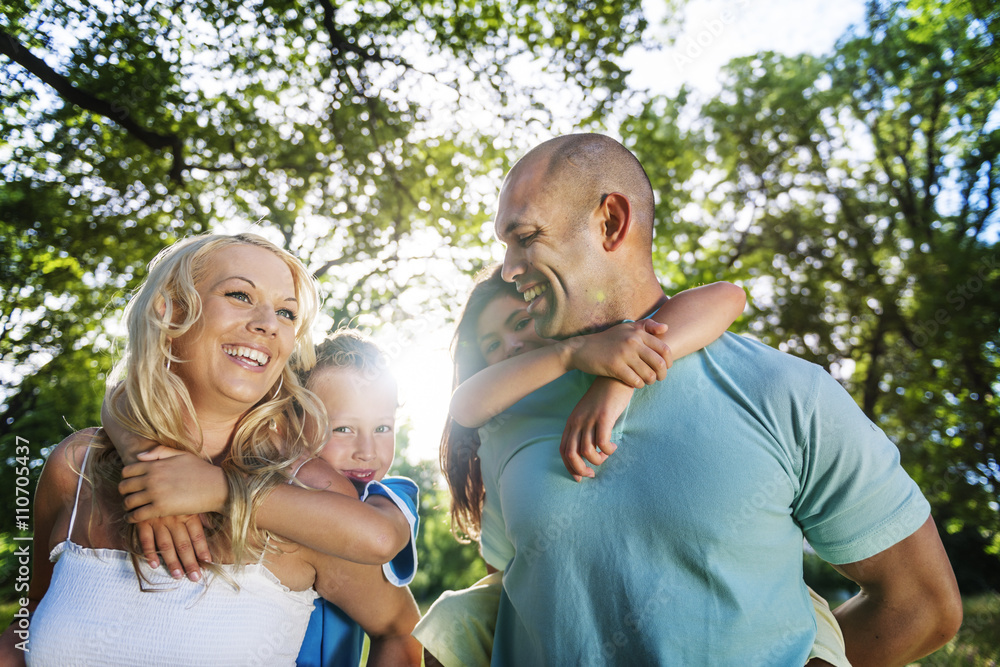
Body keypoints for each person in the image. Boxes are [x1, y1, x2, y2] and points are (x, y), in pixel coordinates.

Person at [480, 134, 962, 666]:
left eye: (524, 237)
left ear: (610, 223)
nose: (508, 268)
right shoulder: (505, 417)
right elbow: (502, 596)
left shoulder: (786, 394)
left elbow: (923, 605)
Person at [0, 233, 419, 666]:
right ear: (170, 311)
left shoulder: (312, 495)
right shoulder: (76, 465)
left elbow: (400, 632)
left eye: (286, 313)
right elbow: (30, 616)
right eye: (240, 294)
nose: (268, 323)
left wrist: (221, 488)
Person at [414, 268, 851, 667]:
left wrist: (617, 382)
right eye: (491, 345)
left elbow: (728, 296)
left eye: (520, 322)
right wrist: (571, 353)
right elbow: (464, 407)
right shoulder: (505, 424)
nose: (510, 345)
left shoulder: (617, 346)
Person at [294, 329, 420, 667]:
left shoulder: (391, 495)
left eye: (382, 428)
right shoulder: (280, 485)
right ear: (294, 424)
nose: (367, 453)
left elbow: (378, 532)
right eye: (343, 429)